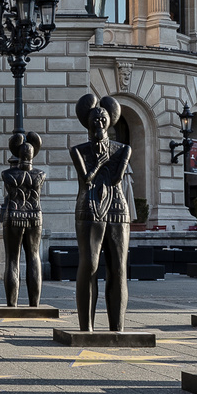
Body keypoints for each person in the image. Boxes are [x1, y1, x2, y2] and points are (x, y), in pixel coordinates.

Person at [71, 94, 132, 332]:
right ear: (87, 122)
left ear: (109, 121)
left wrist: (115, 161)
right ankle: (86, 327)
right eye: (94, 119)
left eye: (102, 118)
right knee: (90, 264)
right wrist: (100, 163)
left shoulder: (122, 149)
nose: (98, 123)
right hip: (89, 205)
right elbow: (86, 179)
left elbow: (117, 178)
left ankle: (117, 326)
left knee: (118, 267)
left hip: (117, 206)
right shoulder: (79, 150)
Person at [0, 132, 46, 309]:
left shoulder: (8, 175)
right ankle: (34, 303)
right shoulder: (40, 175)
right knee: (34, 257)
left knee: (12, 259)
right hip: (35, 216)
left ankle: (12, 304)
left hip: (13, 215)